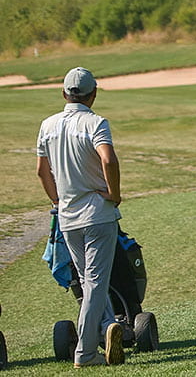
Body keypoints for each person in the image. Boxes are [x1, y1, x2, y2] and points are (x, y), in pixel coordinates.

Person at [36, 67, 125, 367]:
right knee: (97, 282)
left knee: (88, 281)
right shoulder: (96, 123)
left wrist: (56, 200)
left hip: (68, 216)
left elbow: (41, 171)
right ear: (94, 94)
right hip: (98, 214)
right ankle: (86, 353)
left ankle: (107, 327)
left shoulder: (47, 125)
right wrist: (114, 193)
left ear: (64, 93)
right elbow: (108, 158)